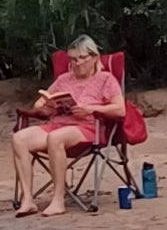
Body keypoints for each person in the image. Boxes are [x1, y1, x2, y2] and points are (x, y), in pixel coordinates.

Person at [10, 37, 123, 217]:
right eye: (72, 59)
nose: (76, 63)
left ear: (94, 57)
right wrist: (44, 105)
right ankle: (28, 200)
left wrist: (90, 108)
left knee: (55, 138)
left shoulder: (106, 79)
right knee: (19, 138)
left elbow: (120, 110)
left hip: (89, 128)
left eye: (81, 58)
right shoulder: (64, 79)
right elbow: (41, 101)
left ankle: (58, 200)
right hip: (58, 124)